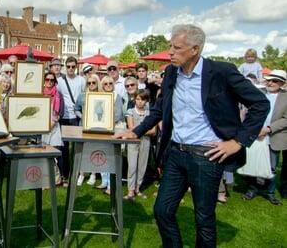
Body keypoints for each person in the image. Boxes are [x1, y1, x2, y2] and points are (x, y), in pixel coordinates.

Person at [115, 24, 269, 247]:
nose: (170, 52)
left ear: (195, 49)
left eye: (177, 48)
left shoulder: (222, 72)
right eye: (170, 46)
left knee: (204, 219)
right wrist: (135, 131)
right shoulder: (170, 73)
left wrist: (237, 142)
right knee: (162, 210)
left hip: (207, 156)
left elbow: (260, 104)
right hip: (176, 153)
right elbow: (160, 109)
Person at [242, 69, 286, 205]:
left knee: (271, 166)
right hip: (256, 134)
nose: (271, 83)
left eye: (275, 81)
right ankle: (252, 189)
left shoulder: (286, 96)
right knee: (254, 163)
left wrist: (268, 129)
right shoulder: (260, 93)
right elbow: (250, 111)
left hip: (274, 136)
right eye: (269, 80)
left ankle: (270, 192)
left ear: (282, 83)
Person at [57, 56, 85, 186]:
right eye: (68, 66)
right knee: (64, 148)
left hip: (76, 117)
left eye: (73, 67)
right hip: (64, 117)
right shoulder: (60, 81)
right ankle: (65, 174)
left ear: (76, 67)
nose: (70, 69)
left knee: (76, 147)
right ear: (65, 66)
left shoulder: (81, 80)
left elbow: (84, 97)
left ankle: (76, 172)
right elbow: (56, 97)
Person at [124, 90, 156, 200]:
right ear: (135, 100)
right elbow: (132, 128)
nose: (140, 102)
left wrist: (140, 130)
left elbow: (153, 131)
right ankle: (130, 190)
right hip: (133, 142)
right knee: (132, 165)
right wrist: (142, 130)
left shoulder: (150, 113)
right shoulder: (130, 111)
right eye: (138, 99)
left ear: (146, 101)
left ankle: (138, 188)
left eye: (143, 100)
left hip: (145, 142)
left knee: (142, 165)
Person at [97, 75, 123, 195]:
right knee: (102, 155)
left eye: (110, 83)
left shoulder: (117, 97)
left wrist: (106, 121)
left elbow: (118, 115)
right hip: (102, 130)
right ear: (102, 85)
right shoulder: (99, 96)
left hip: (113, 129)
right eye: (105, 84)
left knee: (112, 157)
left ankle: (111, 185)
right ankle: (104, 181)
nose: (108, 86)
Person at [75, 73, 100, 186]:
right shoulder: (82, 95)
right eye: (89, 83)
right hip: (83, 126)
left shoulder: (102, 95)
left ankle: (93, 174)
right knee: (83, 151)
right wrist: (82, 117)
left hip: (97, 127)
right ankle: (81, 174)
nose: (91, 84)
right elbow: (76, 109)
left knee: (94, 150)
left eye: (93, 82)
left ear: (97, 83)